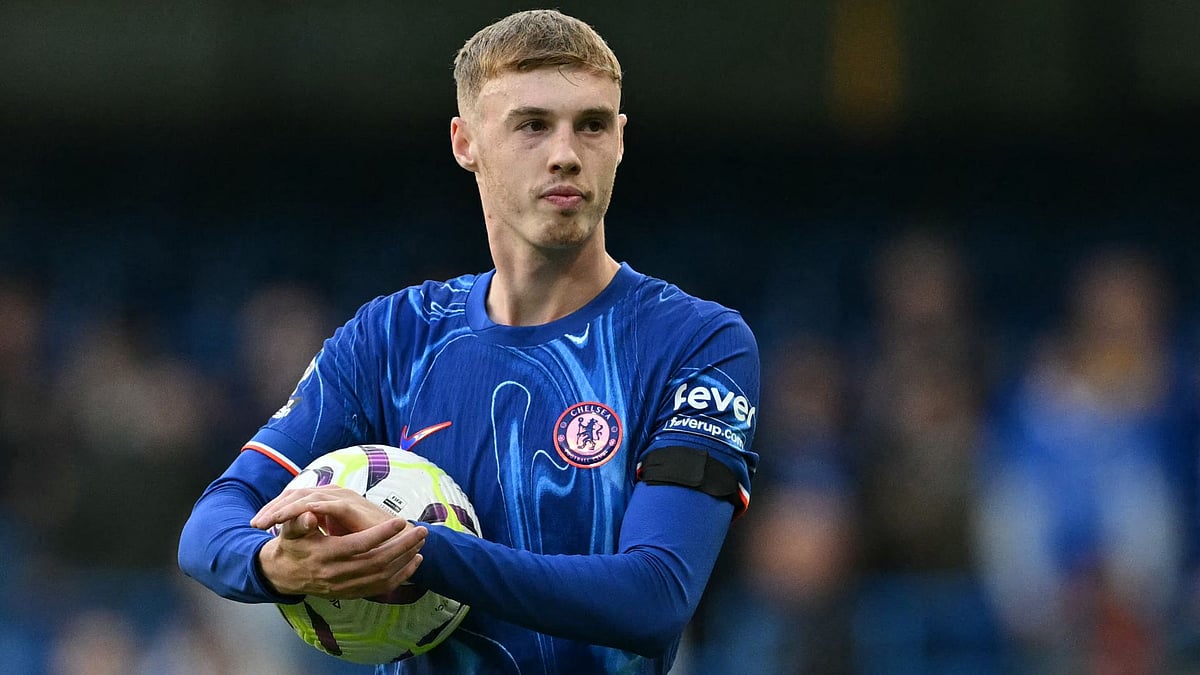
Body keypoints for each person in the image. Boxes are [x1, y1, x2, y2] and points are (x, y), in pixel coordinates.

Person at [177, 9, 761, 675]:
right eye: (533, 125)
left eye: (592, 124)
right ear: (465, 141)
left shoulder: (696, 342)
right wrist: (274, 562)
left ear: (621, 140)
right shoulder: (392, 338)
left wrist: (407, 547)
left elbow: (654, 598)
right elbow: (210, 526)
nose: (566, 152)